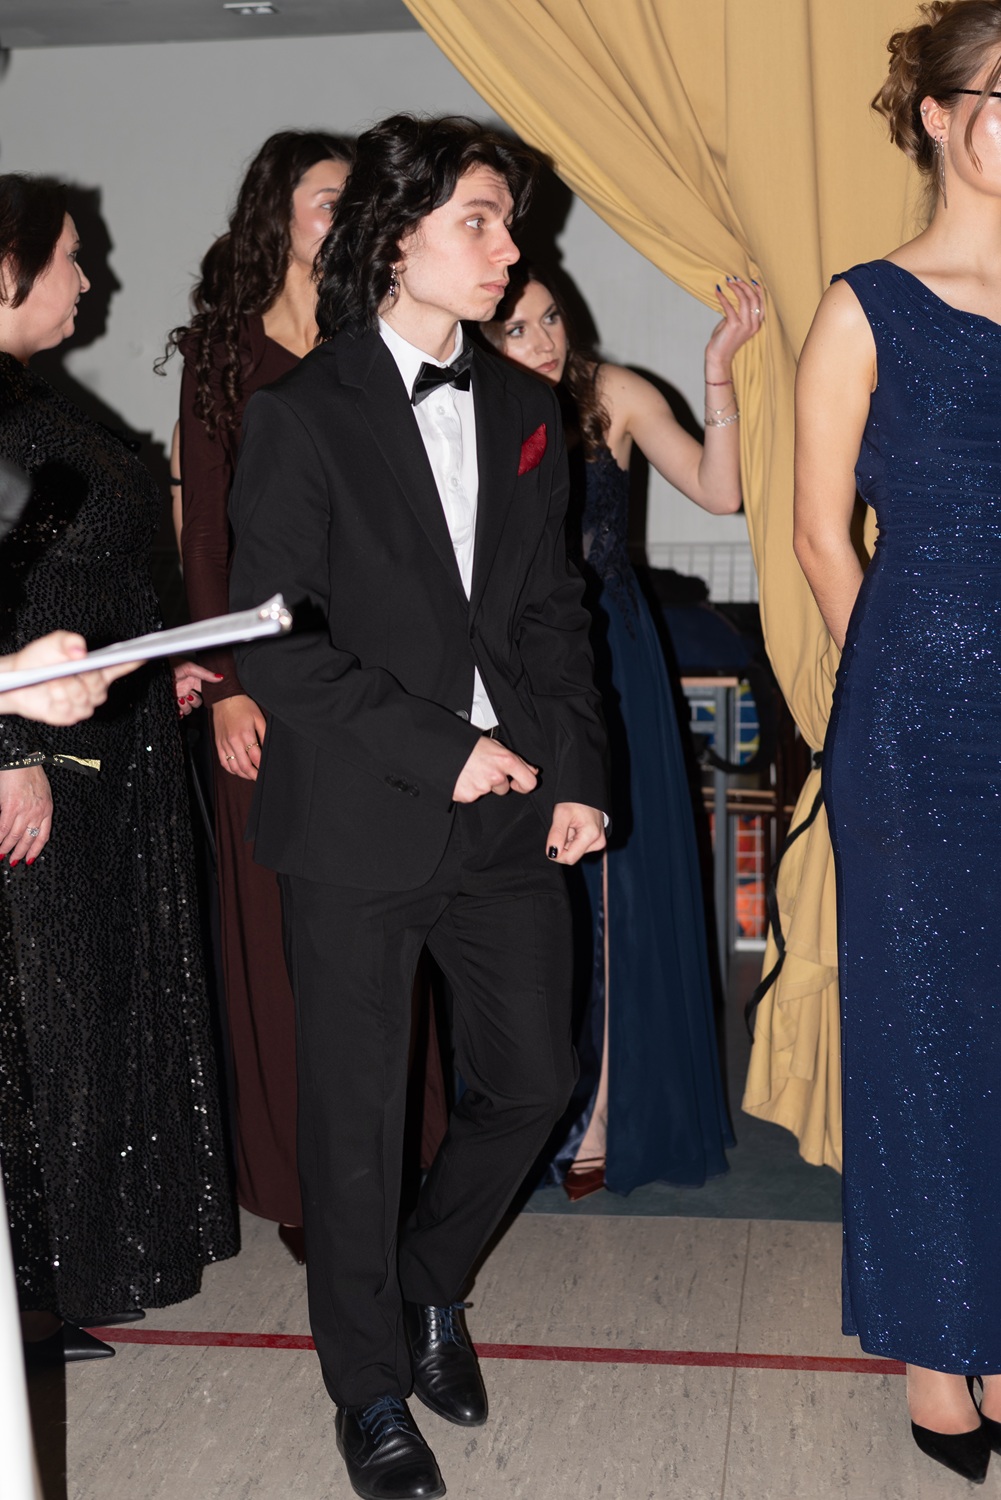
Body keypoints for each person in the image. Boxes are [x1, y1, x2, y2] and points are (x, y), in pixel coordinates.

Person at [228, 113, 607, 1500]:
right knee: (355, 1122)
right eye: (480, 223)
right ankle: (368, 1388)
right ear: (395, 243)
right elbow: (275, 644)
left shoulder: (523, 409)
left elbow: (551, 612)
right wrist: (437, 748)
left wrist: (578, 772)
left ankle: (428, 1278)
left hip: (508, 813)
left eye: (508, 223)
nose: (510, 249)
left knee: (534, 1081)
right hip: (356, 819)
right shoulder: (299, 413)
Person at [795, 0, 1001, 1482]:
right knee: (927, 1038)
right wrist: (912, 687)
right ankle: (941, 1347)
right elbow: (822, 538)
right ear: (936, 113)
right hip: (920, 719)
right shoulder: (865, 305)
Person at [0, 172, 237, 1360]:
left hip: (99, 746)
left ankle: (59, 1277)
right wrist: (6, 751)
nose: (89, 278)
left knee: (81, 1019)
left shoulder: (27, 397)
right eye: (70, 257)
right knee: (44, 1024)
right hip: (39, 759)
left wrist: (153, 662)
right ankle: (27, 1296)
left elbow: (66, 570)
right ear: (6, 268)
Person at [482, 263, 761, 1197]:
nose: (543, 340)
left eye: (550, 317)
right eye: (518, 328)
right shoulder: (464, 408)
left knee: (614, 891)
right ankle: (519, 1108)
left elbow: (720, 494)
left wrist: (717, 370)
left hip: (607, 656)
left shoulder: (611, 395)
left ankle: (603, 1109)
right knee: (520, 894)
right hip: (506, 667)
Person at [164, 130, 353, 1251]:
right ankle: (300, 1183)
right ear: (277, 213)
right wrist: (228, 685)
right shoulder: (221, 353)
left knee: (376, 930)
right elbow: (204, 535)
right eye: (330, 198)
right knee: (274, 939)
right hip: (259, 684)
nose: (348, 214)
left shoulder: (377, 335)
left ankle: (393, 1164)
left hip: (372, 677)